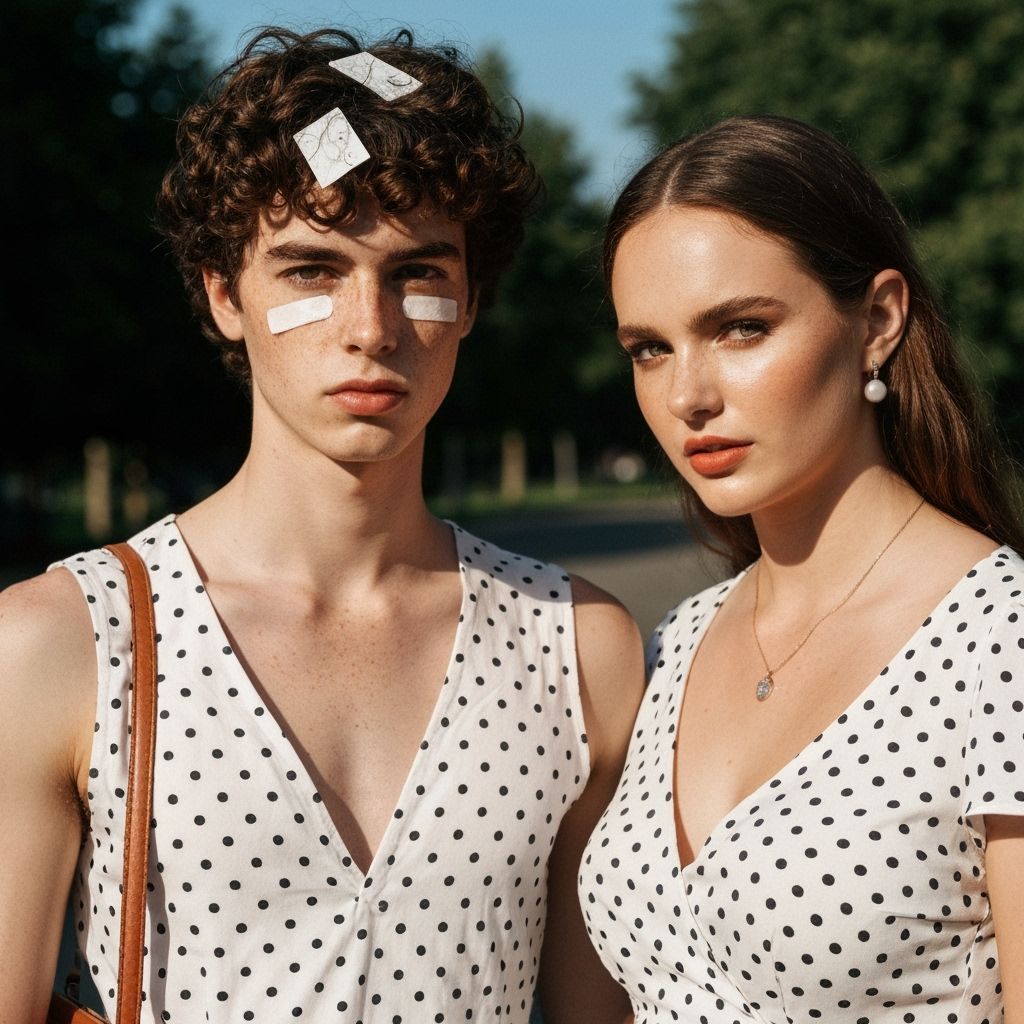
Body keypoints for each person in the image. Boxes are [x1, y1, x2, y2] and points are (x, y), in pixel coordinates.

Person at [0, 27, 643, 1023]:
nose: (370, 328)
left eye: (418, 272)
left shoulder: (579, 648)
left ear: (471, 298)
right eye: (312, 270)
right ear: (224, 293)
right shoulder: (62, 642)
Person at [578, 114, 1024, 1023]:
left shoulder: (1000, 641)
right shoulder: (677, 642)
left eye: (741, 329)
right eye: (650, 349)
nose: (687, 395)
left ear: (878, 321)